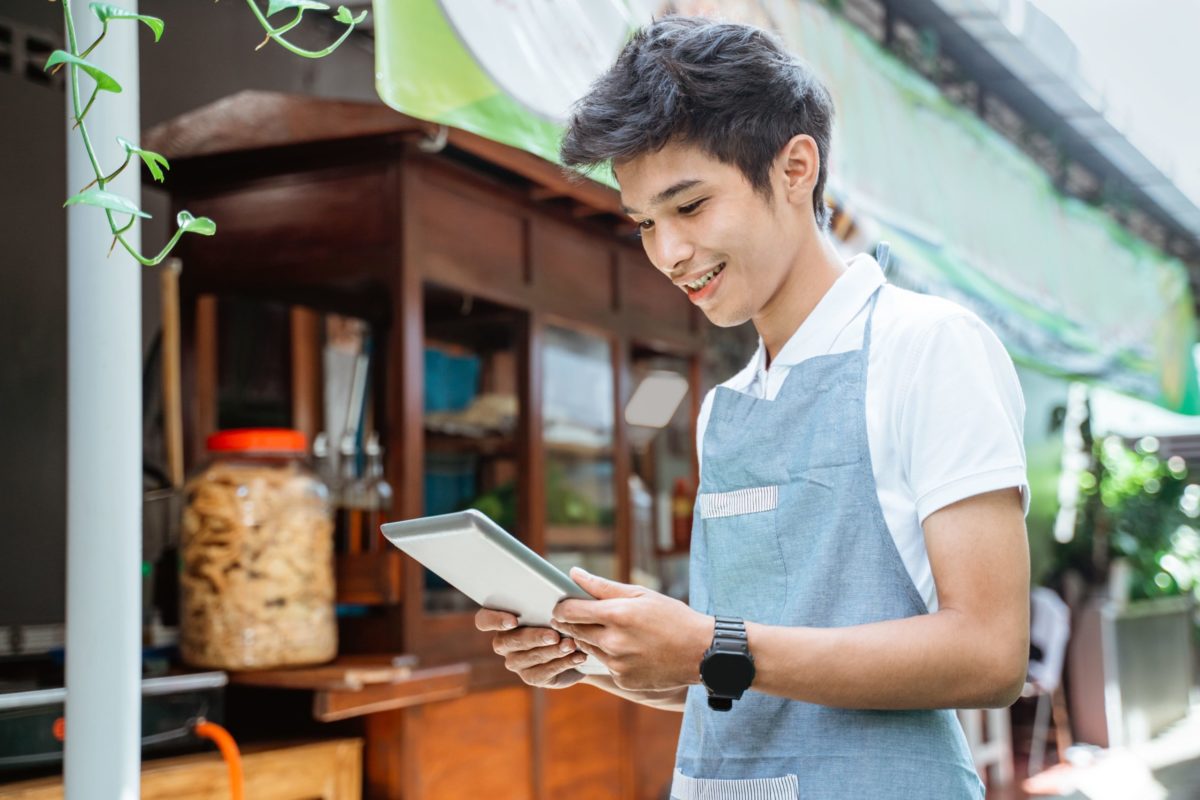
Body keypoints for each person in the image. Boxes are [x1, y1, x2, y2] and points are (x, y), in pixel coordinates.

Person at [476, 15, 1030, 799]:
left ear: (795, 167)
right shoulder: (723, 409)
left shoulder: (928, 347)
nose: (667, 253)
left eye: (690, 206)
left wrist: (710, 644)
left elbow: (990, 652)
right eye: (644, 223)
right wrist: (600, 660)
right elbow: (739, 678)